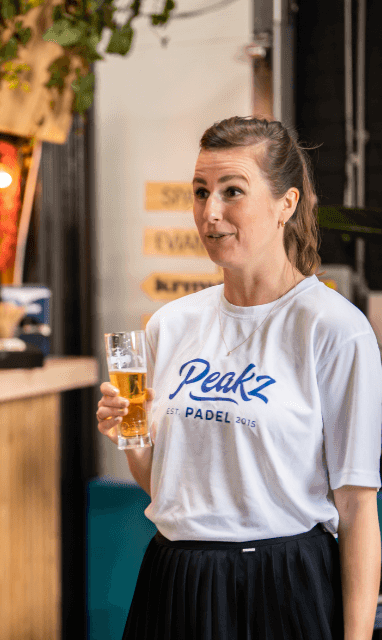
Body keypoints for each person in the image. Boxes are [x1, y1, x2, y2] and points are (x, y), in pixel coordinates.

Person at [98, 116, 381, 640]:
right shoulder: (170, 325)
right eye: (200, 191)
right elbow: (167, 487)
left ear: (286, 204)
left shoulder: (335, 330)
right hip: (175, 580)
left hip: (284, 585)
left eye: (232, 191)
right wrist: (130, 437)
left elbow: (358, 507)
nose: (211, 213)